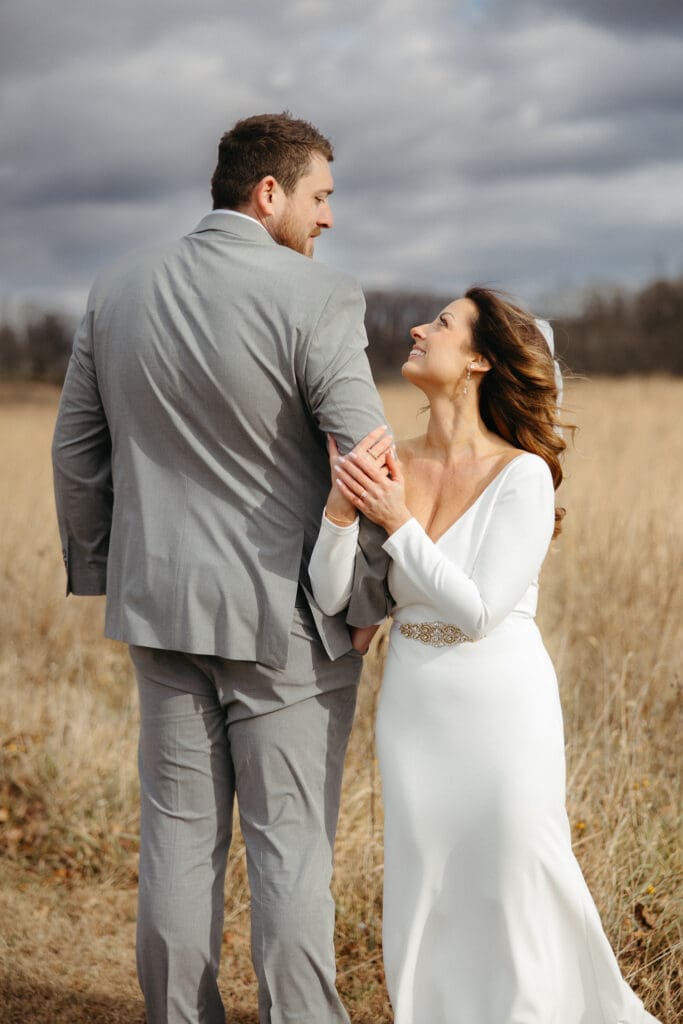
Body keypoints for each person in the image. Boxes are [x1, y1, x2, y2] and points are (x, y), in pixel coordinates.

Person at [51, 112, 393, 1024]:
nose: (328, 218)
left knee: (175, 841)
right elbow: (368, 456)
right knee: (289, 852)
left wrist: (101, 568)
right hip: (284, 624)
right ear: (268, 192)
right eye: (320, 197)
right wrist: (366, 593)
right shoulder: (316, 298)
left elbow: (76, 450)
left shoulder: (116, 287)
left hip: (156, 607)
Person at [309, 288, 660, 1023]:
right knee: (425, 885)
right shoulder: (391, 460)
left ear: (477, 359)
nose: (416, 327)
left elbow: (477, 609)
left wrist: (396, 519)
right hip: (412, 704)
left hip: (502, 710)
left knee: (515, 878)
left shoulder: (522, 475)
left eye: (439, 322)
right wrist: (341, 516)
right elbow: (335, 599)